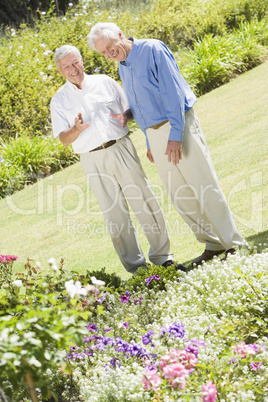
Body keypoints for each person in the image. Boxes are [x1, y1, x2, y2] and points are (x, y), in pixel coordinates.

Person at [87, 23, 247, 266]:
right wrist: (145, 134)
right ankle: (213, 243)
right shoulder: (123, 65)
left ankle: (234, 245)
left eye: (110, 46)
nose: (109, 54)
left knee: (205, 186)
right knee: (180, 195)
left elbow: (172, 93)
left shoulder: (152, 49)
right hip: (156, 136)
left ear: (121, 35)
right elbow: (143, 102)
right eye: (103, 53)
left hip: (179, 127)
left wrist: (174, 135)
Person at [50, 45, 185, 274]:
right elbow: (63, 138)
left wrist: (126, 116)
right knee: (114, 213)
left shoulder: (104, 82)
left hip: (121, 148)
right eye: (67, 66)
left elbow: (131, 108)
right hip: (92, 159)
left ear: (82, 60)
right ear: (60, 70)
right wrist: (76, 129)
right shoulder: (59, 100)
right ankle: (137, 268)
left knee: (144, 200)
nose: (73, 69)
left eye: (75, 62)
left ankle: (163, 257)